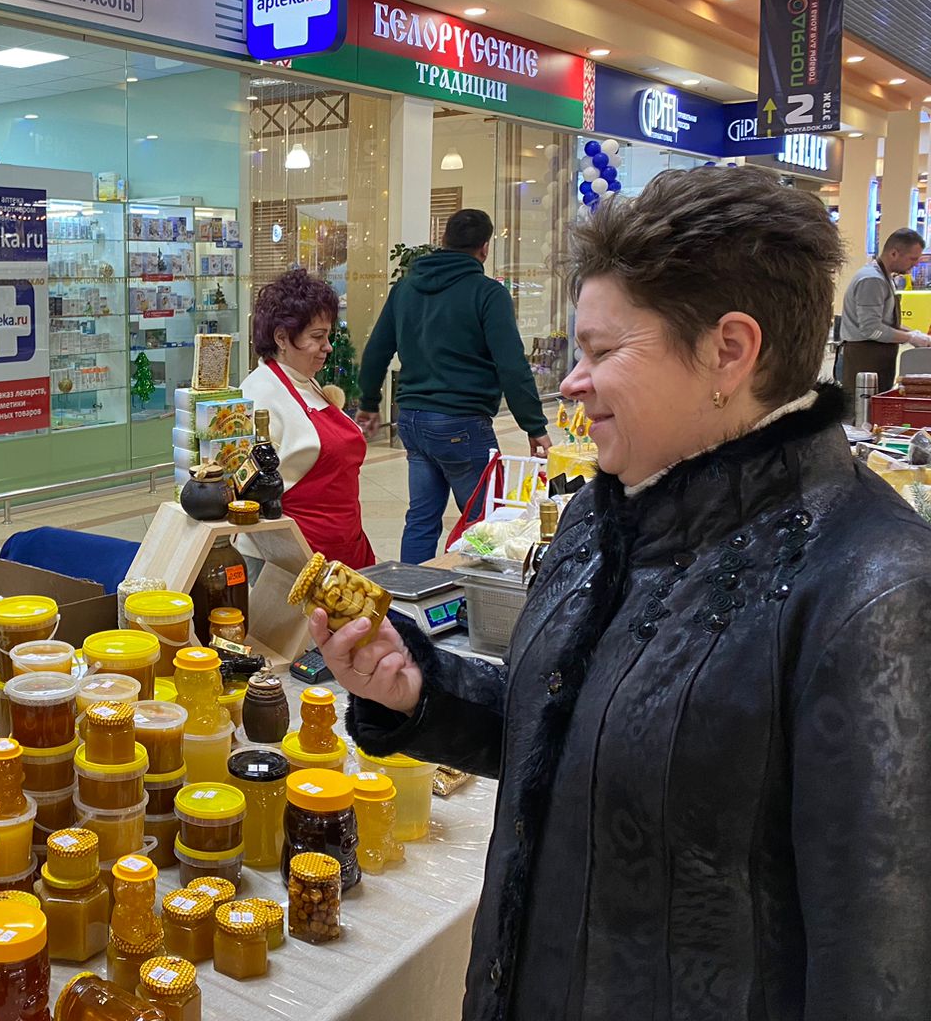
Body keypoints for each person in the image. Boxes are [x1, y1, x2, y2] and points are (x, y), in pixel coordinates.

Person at [316, 166, 931, 1020]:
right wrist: (421, 687)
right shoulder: (606, 510)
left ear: (730, 350)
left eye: (604, 352)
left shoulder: (874, 591)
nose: (572, 381)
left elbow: (881, 968)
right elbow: (575, 733)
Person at [354, 209, 550, 565]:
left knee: (421, 519)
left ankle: (409, 603)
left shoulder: (406, 288)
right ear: (484, 248)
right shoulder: (488, 294)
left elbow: (376, 351)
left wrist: (368, 403)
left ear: (443, 241)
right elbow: (512, 364)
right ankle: (475, 605)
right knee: (486, 523)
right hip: (462, 422)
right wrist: (534, 426)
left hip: (412, 421)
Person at [239, 268, 374, 568]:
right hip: (291, 561)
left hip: (342, 547)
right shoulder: (258, 393)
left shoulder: (306, 381)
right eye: (317, 337)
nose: (328, 347)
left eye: (328, 336)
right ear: (282, 338)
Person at [838, 226, 929, 395]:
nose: (916, 264)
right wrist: (911, 337)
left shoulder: (885, 277)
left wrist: (916, 334)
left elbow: (885, 322)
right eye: (912, 259)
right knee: (861, 412)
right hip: (865, 359)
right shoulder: (872, 280)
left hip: (878, 357)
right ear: (894, 253)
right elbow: (872, 329)